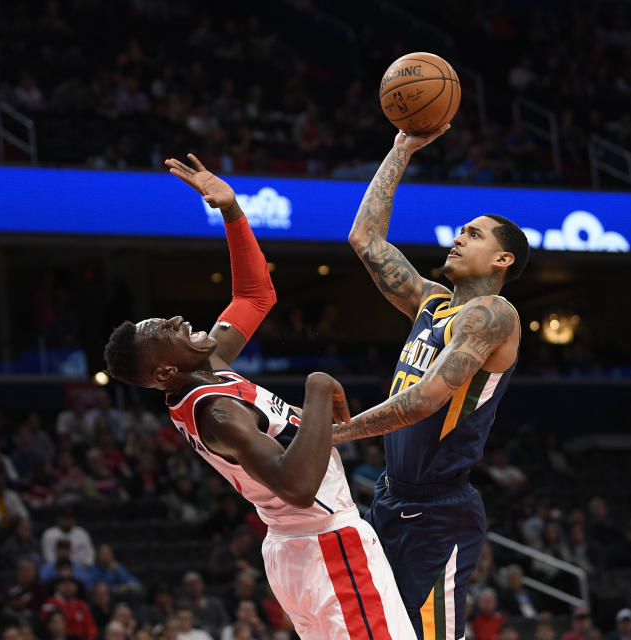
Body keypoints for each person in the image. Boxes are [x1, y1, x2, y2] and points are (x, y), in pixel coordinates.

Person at [103, 154, 414, 639]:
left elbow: (254, 295)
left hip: (294, 550)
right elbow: (296, 485)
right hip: (325, 543)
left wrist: (231, 211)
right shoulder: (220, 412)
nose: (182, 320)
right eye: (168, 329)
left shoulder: (205, 371)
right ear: (165, 369)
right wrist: (315, 388)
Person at [332, 125, 529, 639]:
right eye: (460, 229)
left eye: (475, 234)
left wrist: (335, 432)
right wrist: (401, 149)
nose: (459, 237)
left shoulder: (495, 315)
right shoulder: (432, 303)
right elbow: (365, 239)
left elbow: (426, 399)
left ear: (503, 260)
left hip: (441, 512)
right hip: (391, 495)